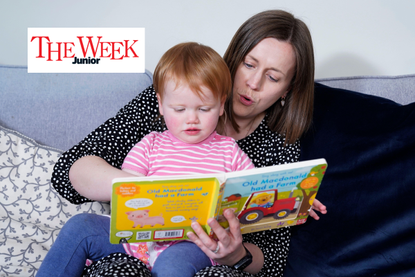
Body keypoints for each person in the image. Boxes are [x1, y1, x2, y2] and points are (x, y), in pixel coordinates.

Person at [51, 9, 327, 277]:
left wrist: (289, 196)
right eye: (249, 64)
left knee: (180, 265)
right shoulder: (173, 98)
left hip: (195, 250)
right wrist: (142, 191)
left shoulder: (260, 148)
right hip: (135, 244)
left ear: (287, 88)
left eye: (273, 77)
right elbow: (68, 173)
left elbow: (271, 250)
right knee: (86, 234)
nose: (253, 83)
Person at [37, 42, 256, 277]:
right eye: (179, 109)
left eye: (203, 109)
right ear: (161, 105)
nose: (191, 119)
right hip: (137, 241)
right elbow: (125, 193)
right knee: (79, 227)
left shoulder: (229, 151)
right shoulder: (150, 144)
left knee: (172, 267)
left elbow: (249, 194)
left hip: (192, 244)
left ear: (221, 105)